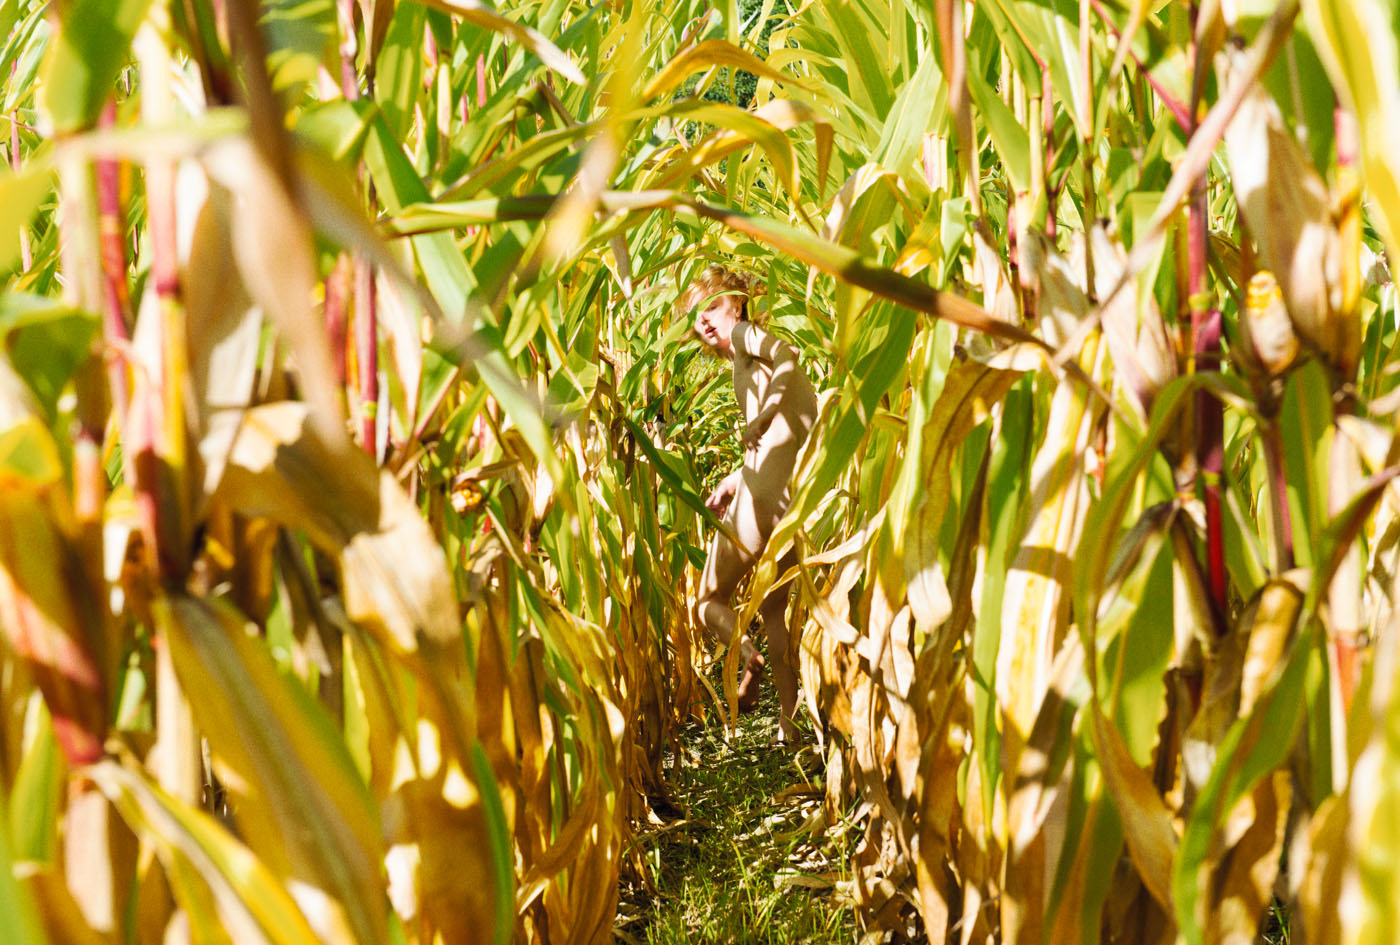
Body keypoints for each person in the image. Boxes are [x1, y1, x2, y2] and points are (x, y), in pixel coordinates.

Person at [682, 264, 818, 744]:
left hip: (762, 501)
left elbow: (788, 355)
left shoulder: (744, 337)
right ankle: (788, 724)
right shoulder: (745, 363)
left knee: (707, 601)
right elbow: (785, 437)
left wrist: (764, 412)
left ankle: (747, 657)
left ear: (737, 304)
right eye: (696, 315)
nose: (704, 320)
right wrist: (735, 478)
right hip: (788, 499)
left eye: (712, 306)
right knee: (776, 610)